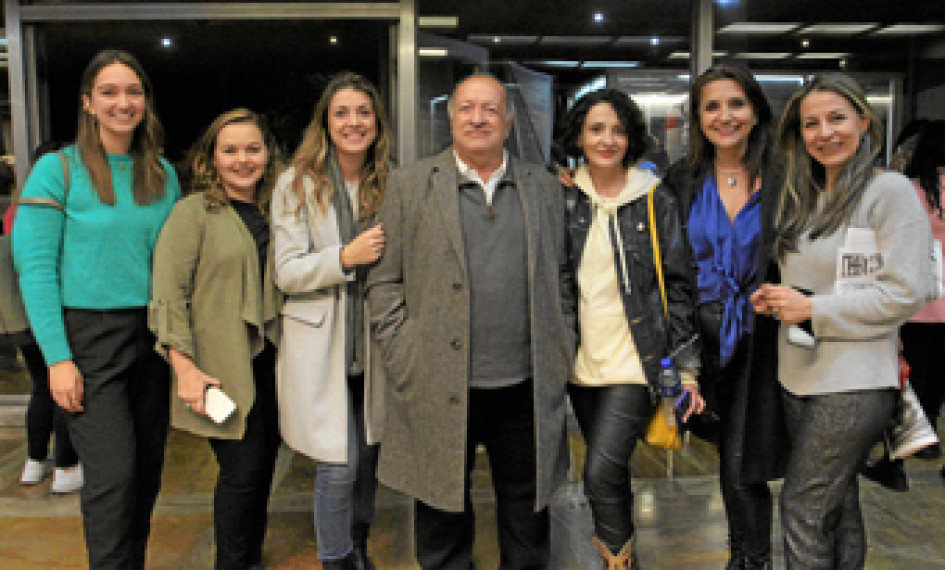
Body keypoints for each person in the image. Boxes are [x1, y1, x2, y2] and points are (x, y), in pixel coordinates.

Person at [367, 73, 575, 569]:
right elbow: (384, 280)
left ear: (506, 122)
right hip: (435, 380)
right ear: (451, 117)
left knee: (528, 522)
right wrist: (404, 351)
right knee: (440, 523)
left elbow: (562, 277)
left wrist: (561, 342)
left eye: (490, 109)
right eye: (467, 108)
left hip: (523, 384)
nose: (478, 118)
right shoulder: (410, 184)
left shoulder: (543, 188)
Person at [751, 73, 931, 568]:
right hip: (799, 375)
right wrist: (777, 298)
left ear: (864, 122)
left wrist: (812, 308)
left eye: (837, 118)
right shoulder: (804, 197)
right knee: (838, 508)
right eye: (812, 124)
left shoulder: (887, 191)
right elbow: (813, 281)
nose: (825, 133)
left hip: (854, 381)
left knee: (802, 507)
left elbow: (905, 292)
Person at [12, 49, 181, 568]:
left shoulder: (162, 174)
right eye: (108, 92)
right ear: (88, 102)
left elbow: (174, 269)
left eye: (133, 92)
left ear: (145, 101)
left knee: (147, 473)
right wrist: (58, 359)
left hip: (150, 337)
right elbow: (36, 271)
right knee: (113, 476)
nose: (122, 102)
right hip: (88, 338)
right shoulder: (55, 170)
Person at [556, 88, 703, 569]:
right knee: (611, 473)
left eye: (618, 130)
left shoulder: (655, 197)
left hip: (636, 361)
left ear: (632, 138)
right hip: (580, 362)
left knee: (598, 472)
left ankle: (617, 565)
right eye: (596, 129)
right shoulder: (561, 197)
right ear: (579, 134)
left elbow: (678, 284)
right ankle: (624, 560)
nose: (607, 139)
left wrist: (686, 370)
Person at [663, 65, 787, 570]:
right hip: (707, 345)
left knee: (743, 465)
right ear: (698, 117)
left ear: (755, 111)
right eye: (711, 106)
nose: (725, 116)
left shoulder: (786, 177)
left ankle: (750, 560)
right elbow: (670, 270)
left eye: (735, 104)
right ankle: (747, 557)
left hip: (768, 344)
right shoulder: (682, 180)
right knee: (735, 462)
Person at [150, 108, 282, 569]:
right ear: (211, 158)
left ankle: (248, 557)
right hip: (218, 367)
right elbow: (168, 296)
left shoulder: (277, 210)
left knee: (263, 470)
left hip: (273, 365)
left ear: (268, 153)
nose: (243, 159)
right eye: (230, 150)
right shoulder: (192, 214)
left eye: (253, 148)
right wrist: (183, 368)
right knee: (241, 473)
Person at [272, 72, 391, 570]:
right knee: (337, 468)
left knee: (367, 464)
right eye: (342, 113)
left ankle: (357, 545)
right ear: (325, 121)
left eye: (363, 113)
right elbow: (287, 271)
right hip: (320, 349)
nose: (353, 122)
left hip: (377, 344)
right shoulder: (295, 184)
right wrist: (345, 257)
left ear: (377, 123)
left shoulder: (391, 180)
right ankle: (335, 558)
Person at [8, 141, 83, 494]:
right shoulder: (51, 206)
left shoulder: (12, 211)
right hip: (50, 317)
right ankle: (66, 467)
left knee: (43, 389)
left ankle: (34, 462)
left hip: (20, 319)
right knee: (65, 392)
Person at [900, 119, 945, 464]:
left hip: (916, 298)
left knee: (913, 369)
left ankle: (916, 432)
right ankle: (931, 433)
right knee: (940, 373)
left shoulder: (908, 191)